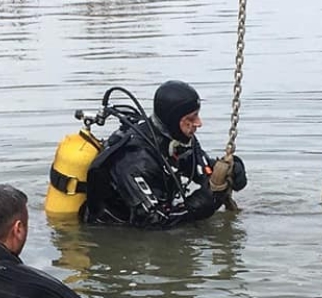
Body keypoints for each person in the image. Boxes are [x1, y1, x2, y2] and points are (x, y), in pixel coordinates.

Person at [80, 80, 247, 229]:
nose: (199, 123)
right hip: (114, 231)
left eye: (197, 115)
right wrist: (203, 203)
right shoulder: (134, 160)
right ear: (173, 119)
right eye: (191, 118)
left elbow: (204, 172)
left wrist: (232, 171)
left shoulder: (178, 140)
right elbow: (153, 219)